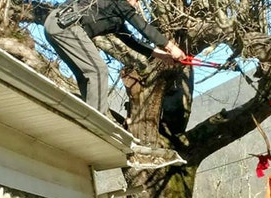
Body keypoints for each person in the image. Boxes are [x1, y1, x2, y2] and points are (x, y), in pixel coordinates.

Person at [44, 0, 187, 115]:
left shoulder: (115, 16)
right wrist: (171, 47)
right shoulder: (118, 2)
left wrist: (159, 54)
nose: (137, 5)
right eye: (136, 0)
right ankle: (95, 120)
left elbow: (130, 39)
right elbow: (142, 26)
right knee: (98, 70)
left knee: (85, 74)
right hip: (65, 25)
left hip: (55, 26)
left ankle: (86, 114)